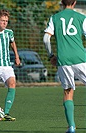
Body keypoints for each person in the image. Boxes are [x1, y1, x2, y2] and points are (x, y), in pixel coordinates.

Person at [43, 0, 86, 133]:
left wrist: (51, 56)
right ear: (75, 2)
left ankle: (71, 127)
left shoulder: (54, 18)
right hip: (81, 58)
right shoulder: (81, 17)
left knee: (68, 92)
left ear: (62, 2)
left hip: (64, 60)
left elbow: (46, 38)